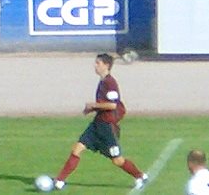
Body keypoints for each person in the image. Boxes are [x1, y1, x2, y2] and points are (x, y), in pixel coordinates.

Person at [53, 53, 148, 191]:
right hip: (97, 124)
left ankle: (140, 176)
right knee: (76, 149)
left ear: (106, 65)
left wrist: (93, 105)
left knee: (117, 160)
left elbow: (112, 105)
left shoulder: (110, 83)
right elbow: (105, 104)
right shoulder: (103, 81)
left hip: (107, 128)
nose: (95, 65)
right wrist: (92, 109)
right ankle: (59, 180)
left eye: (98, 63)